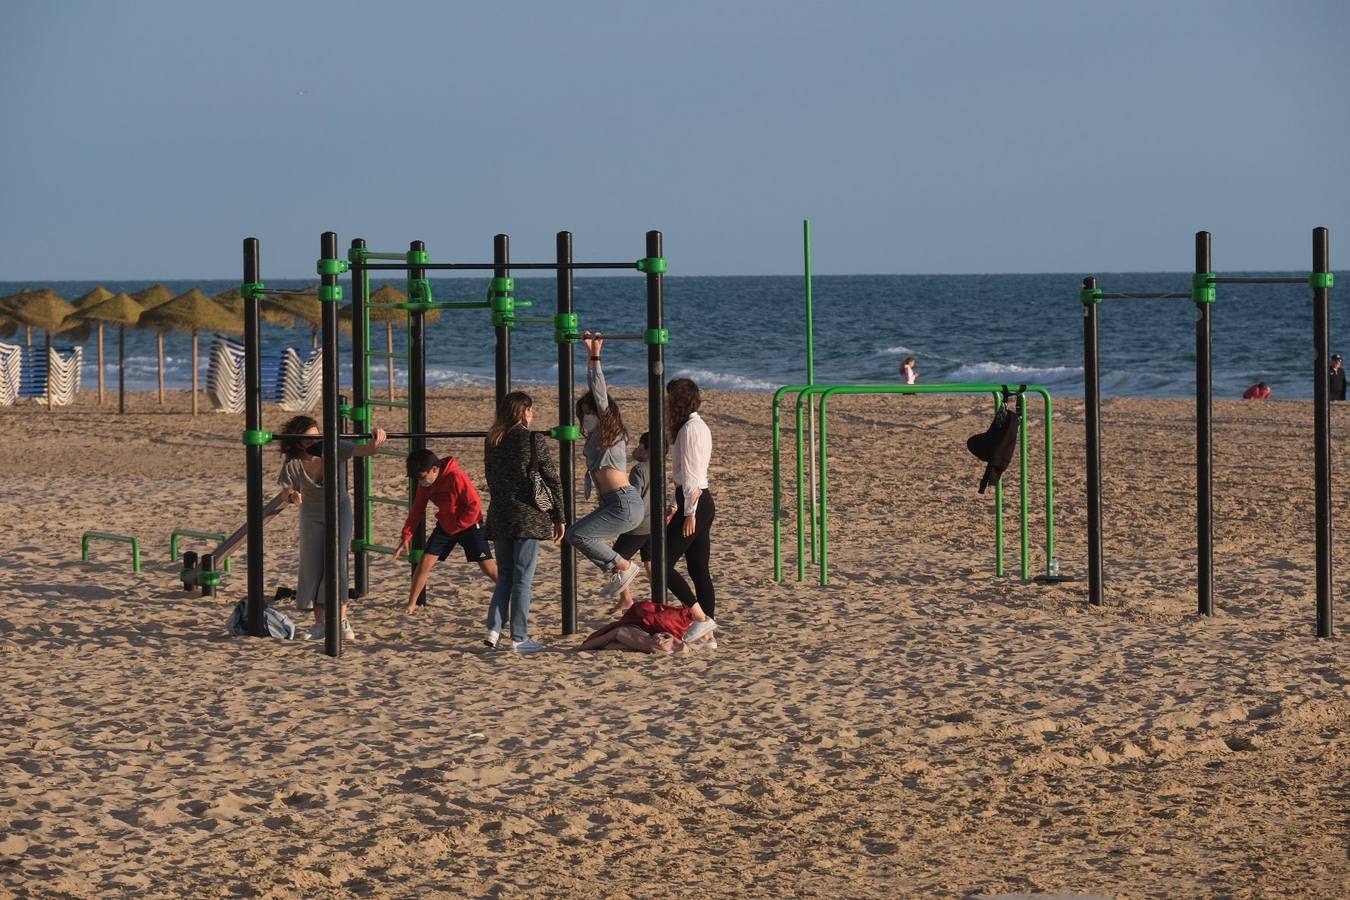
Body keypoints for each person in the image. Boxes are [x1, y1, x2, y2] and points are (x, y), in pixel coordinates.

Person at [276, 415, 387, 642]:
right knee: (313, 565)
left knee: (338, 563)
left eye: (317, 436)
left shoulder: (333, 447)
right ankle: (319, 623)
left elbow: (365, 451)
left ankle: (342, 619)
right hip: (312, 516)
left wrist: (376, 442)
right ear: (297, 442)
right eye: (308, 439)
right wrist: (293, 497)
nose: (314, 441)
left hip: (339, 510)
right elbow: (286, 492)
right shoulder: (293, 463)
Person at [563, 332, 644, 598]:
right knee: (581, 536)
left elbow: (599, 391)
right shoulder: (597, 439)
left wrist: (593, 355)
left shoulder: (613, 430)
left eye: (588, 413)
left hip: (625, 503)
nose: (585, 418)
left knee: (577, 535)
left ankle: (622, 566)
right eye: (582, 414)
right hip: (614, 502)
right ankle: (620, 571)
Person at [483, 391, 564, 653]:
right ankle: (519, 637)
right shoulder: (531, 439)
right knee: (523, 578)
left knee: (505, 575)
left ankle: (494, 629)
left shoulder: (492, 439)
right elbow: (551, 478)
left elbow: (490, 477)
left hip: (501, 513)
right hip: (527, 514)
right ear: (522, 412)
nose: (533, 414)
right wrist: (559, 516)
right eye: (530, 410)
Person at [395, 448, 498, 616]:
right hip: (446, 525)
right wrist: (407, 534)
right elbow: (417, 510)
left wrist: (460, 524)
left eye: (422, 477)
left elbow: (475, 505)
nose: (421, 482)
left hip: (470, 526)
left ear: (434, 469)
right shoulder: (425, 484)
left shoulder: (456, 477)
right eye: (417, 479)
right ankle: (411, 604)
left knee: (489, 568)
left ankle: (511, 593)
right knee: (424, 563)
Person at [664, 378, 716, 639]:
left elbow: (693, 475)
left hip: (696, 502)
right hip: (692, 500)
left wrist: (689, 512)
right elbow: (686, 474)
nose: (666, 404)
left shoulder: (692, 429)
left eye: (669, 398)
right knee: (698, 569)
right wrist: (676, 505)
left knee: (662, 565)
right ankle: (708, 636)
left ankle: (701, 618)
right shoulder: (689, 426)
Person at [608, 432, 652, 615]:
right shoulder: (660, 467)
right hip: (654, 524)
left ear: (647, 449)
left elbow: (634, 497)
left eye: (641, 446)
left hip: (638, 525)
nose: (637, 449)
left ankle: (625, 598)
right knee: (650, 564)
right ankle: (659, 598)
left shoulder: (639, 469)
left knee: (614, 559)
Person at [577, 600, 717, 654]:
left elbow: (616, 632)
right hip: (644, 628)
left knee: (614, 641)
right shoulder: (680, 641)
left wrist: (585, 647)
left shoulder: (667, 643)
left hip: (641, 630)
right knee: (614, 642)